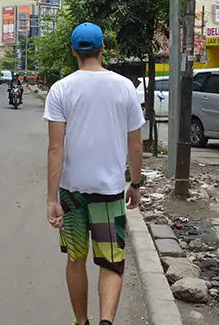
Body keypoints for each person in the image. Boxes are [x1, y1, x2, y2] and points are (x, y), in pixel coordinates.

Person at [44, 22, 145, 325]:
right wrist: (136, 184)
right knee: (111, 262)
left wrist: (51, 199)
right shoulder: (125, 87)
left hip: (72, 193)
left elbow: (55, 149)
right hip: (109, 192)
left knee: (76, 258)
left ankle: (81, 322)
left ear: (73, 50)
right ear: (103, 50)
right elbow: (136, 145)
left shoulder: (61, 89)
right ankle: (106, 322)